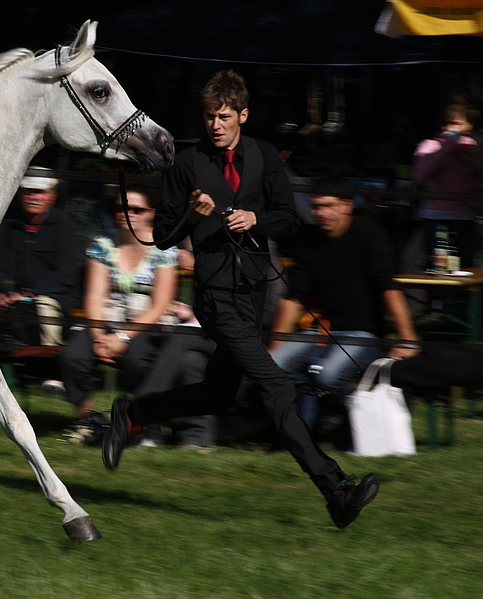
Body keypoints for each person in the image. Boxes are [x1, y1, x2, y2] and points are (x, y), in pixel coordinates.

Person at [102, 70, 379, 529]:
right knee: (277, 387)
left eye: (224, 116)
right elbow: (163, 237)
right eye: (210, 116)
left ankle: (134, 413)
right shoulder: (187, 163)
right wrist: (192, 212)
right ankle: (335, 490)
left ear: (243, 116)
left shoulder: (265, 157)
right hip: (214, 298)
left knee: (218, 393)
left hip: (253, 294)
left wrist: (256, 219)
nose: (215, 124)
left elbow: (290, 221)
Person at [270, 177, 420, 435]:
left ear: (347, 205)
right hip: (322, 330)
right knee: (273, 365)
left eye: (329, 206)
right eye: (317, 207)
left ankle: (352, 412)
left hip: (364, 333)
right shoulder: (307, 239)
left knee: (326, 376)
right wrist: (275, 344)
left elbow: (390, 290)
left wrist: (407, 338)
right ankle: (319, 422)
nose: (322, 213)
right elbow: (294, 297)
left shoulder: (369, 234)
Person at [58, 185, 178, 423]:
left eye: (136, 209)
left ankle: (141, 420)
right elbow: (93, 297)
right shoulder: (102, 246)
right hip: (106, 320)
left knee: (137, 359)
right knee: (73, 355)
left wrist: (122, 338)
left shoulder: (164, 248)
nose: (127, 214)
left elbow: (159, 307)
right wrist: (99, 337)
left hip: (146, 324)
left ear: (151, 212)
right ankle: (86, 420)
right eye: (120, 208)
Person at [0, 166, 80, 349]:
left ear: (52, 196)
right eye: (28, 191)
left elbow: (65, 276)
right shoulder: (7, 224)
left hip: (49, 296)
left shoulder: (65, 228)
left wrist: (26, 294)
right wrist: (1, 291)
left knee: (45, 311)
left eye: (39, 192)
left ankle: (49, 367)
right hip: (9, 296)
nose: (33, 197)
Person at [412, 103, 483, 269]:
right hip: (438, 221)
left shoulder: (475, 150)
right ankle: (442, 295)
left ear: (469, 126)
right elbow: (420, 175)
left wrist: (478, 153)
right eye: (449, 124)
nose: (452, 129)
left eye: (457, 124)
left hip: (467, 221)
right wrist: (447, 146)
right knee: (443, 269)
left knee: (467, 270)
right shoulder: (430, 146)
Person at [132, 301, 218, 451]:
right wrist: (193, 313)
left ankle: (141, 407)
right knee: (191, 360)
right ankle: (196, 437)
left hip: (252, 346)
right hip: (218, 335)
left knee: (182, 336)